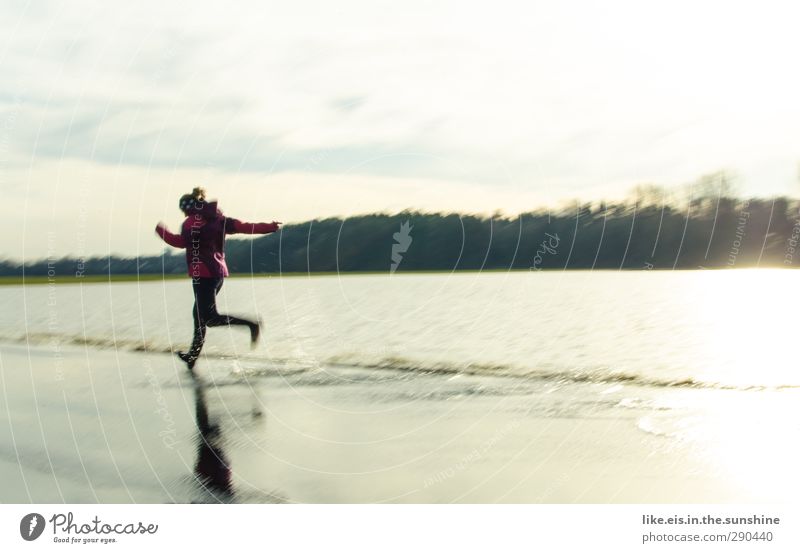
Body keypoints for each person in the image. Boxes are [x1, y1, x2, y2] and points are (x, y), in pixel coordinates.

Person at [155, 187, 281, 370]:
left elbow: (180, 242)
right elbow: (244, 227)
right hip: (218, 273)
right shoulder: (219, 219)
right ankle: (192, 356)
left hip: (203, 273)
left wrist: (161, 231)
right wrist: (269, 227)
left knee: (210, 318)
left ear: (186, 208)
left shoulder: (190, 223)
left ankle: (251, 324)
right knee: (199, 315)